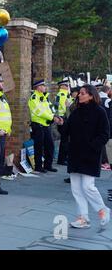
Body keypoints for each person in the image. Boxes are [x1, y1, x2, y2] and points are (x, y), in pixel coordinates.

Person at [64, 84, 110, 228]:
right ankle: (83, 218)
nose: (79, 95)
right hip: (75, 154)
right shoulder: (76, 112)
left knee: (88, 187)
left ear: (91, 95)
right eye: (79, 93)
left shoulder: (100, 112)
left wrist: (92, 146)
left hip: (90, 154)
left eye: (83, 93)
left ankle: (102, 209)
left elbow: (104, 134)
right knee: (76, 188)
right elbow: (66, 131)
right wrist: (61, 123)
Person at [28, 80, 62, 173]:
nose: (44, 87)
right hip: (38, 125)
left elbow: (50, 109)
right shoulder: (34, 98)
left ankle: (48, 165)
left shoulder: (45, 97)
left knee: (49, 145)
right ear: (38, 87)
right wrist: (52, 117)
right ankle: (38, 167)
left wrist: (56, 116)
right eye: (43, 86)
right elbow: (39, 112)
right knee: (39, 147)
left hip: (46, 125)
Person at [64, 86, 80, 184]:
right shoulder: (75, 102)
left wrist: (67, 106)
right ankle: (73, 175)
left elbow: (69, 115)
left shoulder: (77, 104)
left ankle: (74, 175)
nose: (72, 94)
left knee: (74, 156)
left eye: (73, 92)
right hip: (73, 133)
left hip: (76, 134)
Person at [55, 79, 70, 166]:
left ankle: (64, 158)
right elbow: (56, 107)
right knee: (64, 140)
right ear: (61, 86)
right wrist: (58, 117)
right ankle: (61, 159)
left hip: (65, 118)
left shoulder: (66, 94)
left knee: (66, 140)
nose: (67, 86)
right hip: (62, 119)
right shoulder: (60, 95)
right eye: (66, 85)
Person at [99, 86, 112, 171]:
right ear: (108, 91)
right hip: (107, 124)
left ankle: (102, 161)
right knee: (107, 145)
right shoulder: (108, 101)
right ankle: (106, 162)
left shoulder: (98, 98)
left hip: (98, 124)